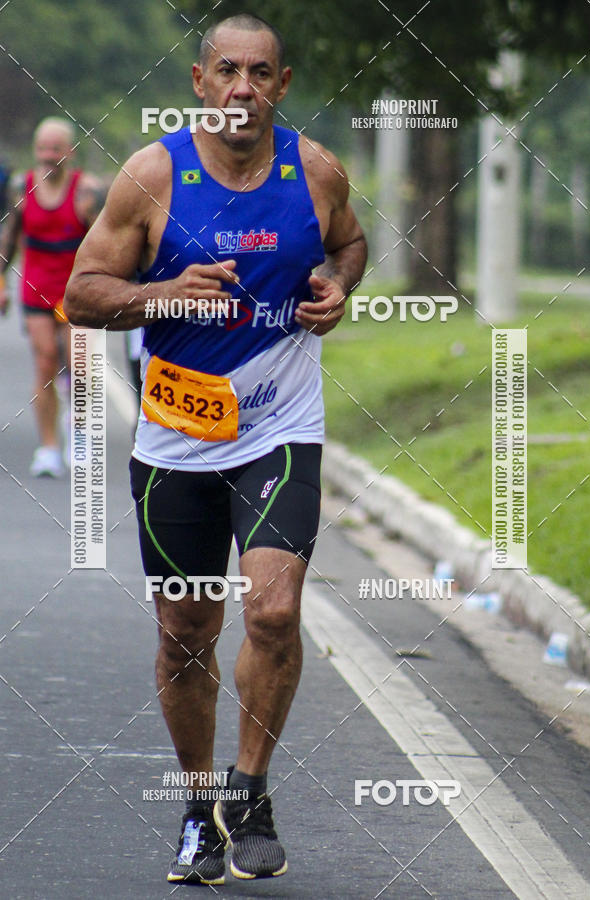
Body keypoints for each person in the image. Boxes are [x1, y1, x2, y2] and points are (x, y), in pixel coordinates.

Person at [64, 12, 367, 886]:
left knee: (272, 612)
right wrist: (164, 295)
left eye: (260, 73)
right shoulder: (151, 177)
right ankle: (198, 811)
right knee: (186, 633)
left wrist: (337, 288)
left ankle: (253, 792)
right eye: (226, 71)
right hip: (178, 436)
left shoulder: (315, 172)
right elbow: (82, 294)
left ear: (282, 84)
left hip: (279, 428)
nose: (243, 88)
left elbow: (349, 244)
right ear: (200, 82)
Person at [0, 117, 103, 476]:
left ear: (69, 152)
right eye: (41, 148)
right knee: (44, 363)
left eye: (54, 149)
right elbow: (10, 239)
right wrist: (0, 282)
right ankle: (48, 449)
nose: (47, 156)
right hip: (36, 288)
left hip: (75, 293)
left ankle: (79, 438)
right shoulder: (22, 188)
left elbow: (104, 247)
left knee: (78, 367)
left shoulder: (86, 192)